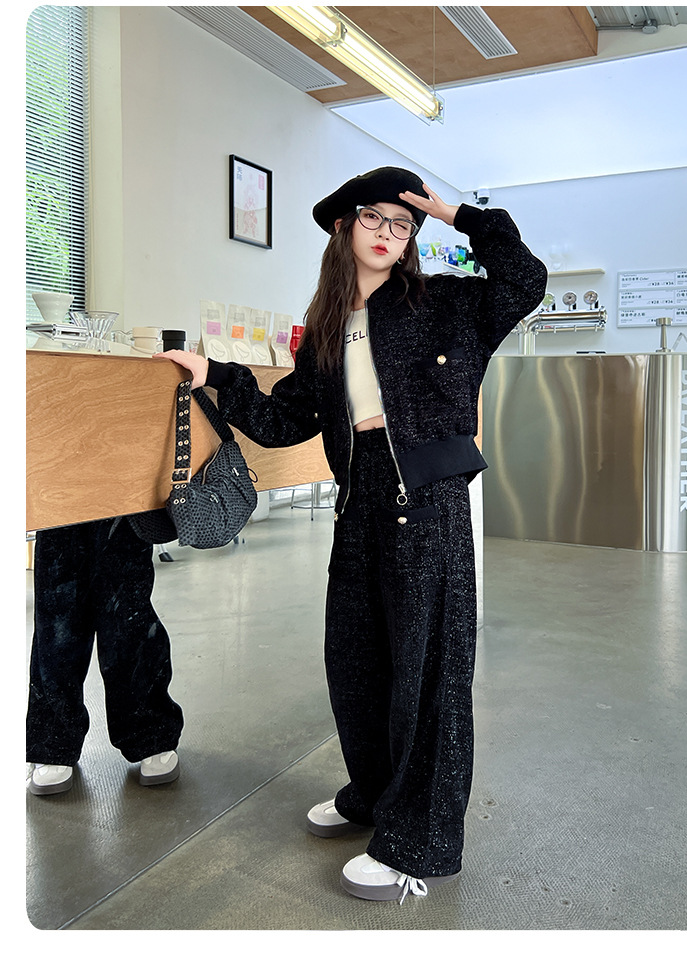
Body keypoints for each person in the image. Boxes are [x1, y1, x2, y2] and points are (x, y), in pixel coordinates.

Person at [158, 166, 547, 901]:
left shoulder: (447, 304)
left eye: (403, 225)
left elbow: (526, 280)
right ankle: (372, 794)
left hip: (427, 502)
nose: (389, 234)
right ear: (345, 226)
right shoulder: (327, 327)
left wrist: (462, 216)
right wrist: (217, 374)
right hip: (358, 500)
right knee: (357, 663)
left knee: (428, 677)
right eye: (375, 218)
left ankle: (417, 842)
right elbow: (285, 420)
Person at [27, 516, 184, 795]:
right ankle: (54, 741)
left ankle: (150, 732)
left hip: (124, 500)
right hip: (57, 498)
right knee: (58, 618)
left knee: (128, 615)